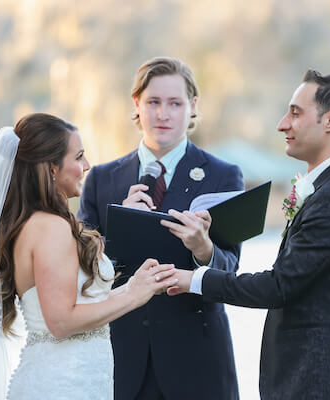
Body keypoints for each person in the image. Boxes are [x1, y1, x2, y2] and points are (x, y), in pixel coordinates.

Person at [168, 70, 330, 400]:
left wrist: (194, 280)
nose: (283, 124)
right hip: (304, 380)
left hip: (326, 383)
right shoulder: (329, 189)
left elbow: (279, 285)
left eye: (295, 113)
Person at [0, 113, 178, 400]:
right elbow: (60, 321)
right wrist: (132, 297)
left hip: (72, 379)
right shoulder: (51, 228)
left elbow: (77, 304)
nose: (86, 166)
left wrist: (136, 286)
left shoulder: (34, 223)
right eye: (79, 157)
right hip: (62, 385)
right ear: (51, 169)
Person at [78, 57, 242, 400]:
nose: (163, 114)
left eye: (174, 103)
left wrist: (204, 250)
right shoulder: (100, 179)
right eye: (153, 102)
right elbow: (79, 272)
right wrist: (118, 228)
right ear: (136, 104)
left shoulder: (223, 176)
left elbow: (230, 270)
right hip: (120, 356)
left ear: (192, 106)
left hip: (198, 360)